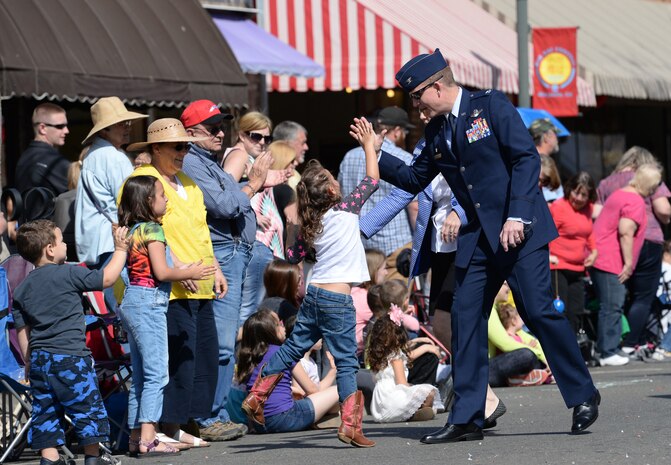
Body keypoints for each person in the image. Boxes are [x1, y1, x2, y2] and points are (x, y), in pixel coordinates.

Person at [377, 49, 600, 443]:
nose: (413, 105)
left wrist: (517, 215)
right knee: (464, 317)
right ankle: (467, 417)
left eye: (415, 96)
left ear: (436, 86)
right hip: (478, 235)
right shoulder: (437, 130)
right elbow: (414, 178)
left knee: (537, 310)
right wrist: (374, 152)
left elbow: (525, 160)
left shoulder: (491, 105)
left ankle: (583, 395)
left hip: (520, 228)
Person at [241, 117, 381, 448]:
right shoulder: (346, 212)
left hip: (315, 295)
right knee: (347, 363)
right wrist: (368, 147)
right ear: (333, 192)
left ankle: (257, 396)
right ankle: (350, 425)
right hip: (336, 300)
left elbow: (292, 254)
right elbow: (372, 180)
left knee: (291, 348)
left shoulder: (310, 227)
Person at [125, 118, 227, 446]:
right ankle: (161, 428)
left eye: (187, 146)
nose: (184, 152)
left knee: (200, 357)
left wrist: (215, 268)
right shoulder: (144, 180)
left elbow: (201, 231)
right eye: (177, 147)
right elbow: (138, 231)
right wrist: (179, 268)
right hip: (165, 288)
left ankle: (177, 423)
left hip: (200, 280)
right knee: (170, 363)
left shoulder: (189, 183)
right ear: (156, 148)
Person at [178, 101, 270, 441]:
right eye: (212, 127)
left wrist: (240, 188)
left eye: (222, 126)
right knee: (220, 344)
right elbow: (225, 204)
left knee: (220, 342)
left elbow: (228, 199)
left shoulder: (207, 161)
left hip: (232, 253)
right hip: (223, 254)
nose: (220, 133)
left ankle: (206, 413)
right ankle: (209, 416)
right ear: (189, 133)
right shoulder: (192, 161)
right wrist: (252, 184)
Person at [13, 219, 130, 465]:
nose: (66, 244)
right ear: (50, 249)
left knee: (45, 412)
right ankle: (92, 457)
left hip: (39, 361)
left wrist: (28, 361)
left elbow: (24, 330)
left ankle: (50, 459)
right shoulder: (69, 272)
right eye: (62, 239)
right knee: (86, 408)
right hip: (70, 358)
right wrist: (120, 249)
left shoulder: (22, 289)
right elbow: (107, 279)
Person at [117, 175, 217, 456]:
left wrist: (186, 268)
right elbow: (162, 272)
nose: (167, 199)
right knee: (157, 373)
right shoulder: (153, 230)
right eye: (162, 195)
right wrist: (190, 272)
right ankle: (150, 438)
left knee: (139, 375)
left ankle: (136, 437)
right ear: (148, 201)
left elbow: (158, 265)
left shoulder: (134, 230)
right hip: (149, 304)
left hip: (133, 302)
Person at [594, 147, 671, 355]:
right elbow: (663, 210)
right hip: (647, 238)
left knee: (618, 294)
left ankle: (614, 342)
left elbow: (597, 213)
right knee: (642, 296)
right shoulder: (648, 179)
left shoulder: (607, 182)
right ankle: (629, 343)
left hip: (612, 244)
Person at [237, 309, 339, 433]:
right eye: (279, 323)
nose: (283, 326)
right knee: (339, 390)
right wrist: (333, 370)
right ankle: (320, 420)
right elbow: (312, 390)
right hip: (286, 417)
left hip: (259, 423)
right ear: (270, 330)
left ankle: (316, 420)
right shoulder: (283, 352)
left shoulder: (249, 358)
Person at [75, 96, 147, 267]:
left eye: (128, 122)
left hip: (97, 243)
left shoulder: (94, 154)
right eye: (121, 123)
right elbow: (130, 201)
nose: (128, 127)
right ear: (104, 130)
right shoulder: (113, 157)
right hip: (112, 243)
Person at [339, 106, 417, 260]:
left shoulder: (349, 156)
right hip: (395, 245)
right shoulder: (405, 158)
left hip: (359, 243)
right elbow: (414, 207)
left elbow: (342, 196)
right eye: (405, 132)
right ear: (397, 130)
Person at [365, 305, 442, 423]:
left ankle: (415, 412)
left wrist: (417, 341)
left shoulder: (379, 355)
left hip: (380, 403)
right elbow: (402, 383)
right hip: (393, 400)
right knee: (429, 392)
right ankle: (414, 413)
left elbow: (406, 353)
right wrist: (416, 389)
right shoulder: (396, 357)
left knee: (423, 393)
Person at [549, 172, 598, 333]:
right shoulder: (558, 207)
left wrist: (594, 251)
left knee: (576, 312)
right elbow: (546, 233)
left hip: (578, 268)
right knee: (559, 309)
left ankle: (573, 349)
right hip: (558, 267)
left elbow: (588, 232)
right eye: (576, 192)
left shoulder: (588, 209)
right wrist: (548, 255)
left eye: (584, 195)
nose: (578, 198)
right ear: (569, 189)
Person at [15, 103, 71, 198]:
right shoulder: (54, 161)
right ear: (42, 128)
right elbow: (79, 195)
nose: (66, 131)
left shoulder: (24, 157)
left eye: (66, 126)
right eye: (60, 126)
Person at [258, 258, 302, 323]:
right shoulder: (287, 309)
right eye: (298, 279)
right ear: (287, 284)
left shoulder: (264, 305)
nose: (301, 282)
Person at [273, 120, 309, 190]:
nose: (306, 147)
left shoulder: (293, 175)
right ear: (287, 144)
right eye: (303, 143)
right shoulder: (271, 177)